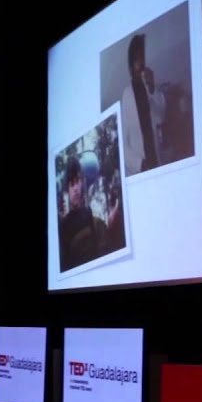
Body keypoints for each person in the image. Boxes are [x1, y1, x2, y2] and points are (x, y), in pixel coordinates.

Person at [57, 155, 123, 272]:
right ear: (67, 189)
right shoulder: (64, 225)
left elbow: (99, 247)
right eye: (72, 184)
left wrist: (110, 226)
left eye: (77, 181)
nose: (76, 188)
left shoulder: (88, 212)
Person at [120, 33, 166, 176]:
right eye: (137, 58)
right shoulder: (126, 95)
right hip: (140, 169)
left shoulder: (149, 88)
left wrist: (152, 89)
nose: (141, 63)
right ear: (130, 66)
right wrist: (140, 164)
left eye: (142, 58)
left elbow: (161, 117)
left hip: (157, 163)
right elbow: (123, 143)